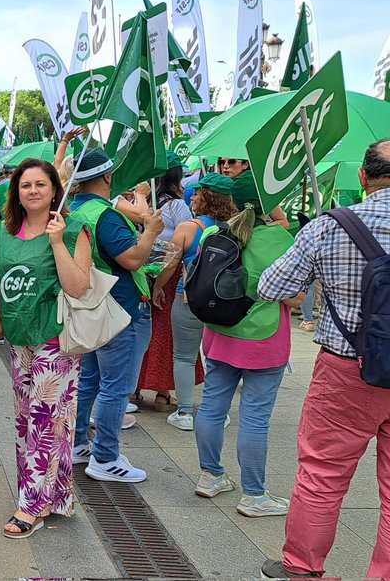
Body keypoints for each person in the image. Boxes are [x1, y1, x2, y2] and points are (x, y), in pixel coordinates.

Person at [257, 139, 390, 579]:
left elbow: (271, 287)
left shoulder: (331, 226)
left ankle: (301, 568)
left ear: (363, 177)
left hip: (346, 370)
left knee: (323, 474)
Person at [0, 158, 92, 537]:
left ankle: (29, 506)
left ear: (54, 189)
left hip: (55, 336)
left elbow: (77, 286)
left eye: (40, 185)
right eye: (25, 185)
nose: (32, 191)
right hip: (19, 336)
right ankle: (57, 498)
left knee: (44, 422)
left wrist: (56, 241)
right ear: (16, 190)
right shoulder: (4, 229)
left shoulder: (72, 228)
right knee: (27, 420)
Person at [192, 171, 298, 518]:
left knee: (211, 405)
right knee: (255, 416)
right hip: (263, 338)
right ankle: (254, 495)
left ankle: (210, 476)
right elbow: (296, 299)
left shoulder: (214, 232)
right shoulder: (280, 240)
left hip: (220, 333)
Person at [67, 148, 163, 483]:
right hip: (120, 309)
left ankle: (78, 443)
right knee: (115, 387)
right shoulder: (103, 215)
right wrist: (151, 230)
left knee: (90, 381)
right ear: (108, 176)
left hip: (94, 309)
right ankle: (105, 457)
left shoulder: (73, 209)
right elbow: (132, 259)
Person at [150, 173, 235, 431]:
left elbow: (169, 263)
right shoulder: (238, 226)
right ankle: (217, 412)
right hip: (225, 302)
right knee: (218, 358)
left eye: (197, 193)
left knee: (184, 356)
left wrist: (157, 287)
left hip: (187, 298)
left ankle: (185, 412)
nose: (193, 197)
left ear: (206, 196)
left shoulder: (187, 228)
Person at [135, 155, 193, 412]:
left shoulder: (137, 204)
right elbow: (184, 242)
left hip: (138, 270)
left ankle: (133, 388)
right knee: (165, 331)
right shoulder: (178, 207)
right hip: (166, 276)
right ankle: (162, 391)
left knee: (138, 328)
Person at [215, 156, 289, 227]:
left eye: (231, 162)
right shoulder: (217, 187)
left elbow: (283, 222)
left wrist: (254, 232)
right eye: (221, 162)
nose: (225, 166)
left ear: (245, 164)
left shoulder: (257, 185)